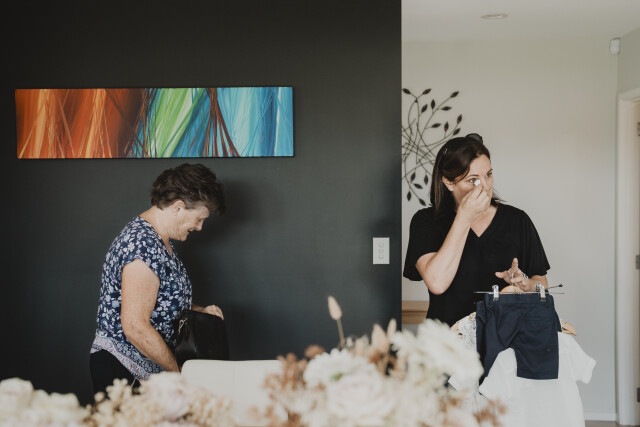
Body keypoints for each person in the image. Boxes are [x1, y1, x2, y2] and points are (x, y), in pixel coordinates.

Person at [90, 163, 226, 394]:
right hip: (124, 371)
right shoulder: (142, 245)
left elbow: (161, 301)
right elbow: (135, 326)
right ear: (178, 207)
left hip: (148, 371)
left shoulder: (159, 242)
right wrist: (179, 375)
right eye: (199, 219)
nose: (200, 227)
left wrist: (200, 312)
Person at [403, 134, 550, 326]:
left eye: (488, 174)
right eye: (472, 180)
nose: (486, 186)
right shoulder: (426, 221)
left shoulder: (517, 220)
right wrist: (464, 217)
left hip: (505, 335)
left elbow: (542, 282)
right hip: (447, 337)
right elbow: (437, 283)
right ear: (448, 182)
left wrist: (525, 284)